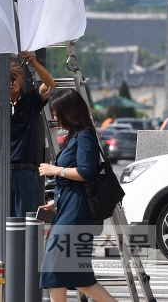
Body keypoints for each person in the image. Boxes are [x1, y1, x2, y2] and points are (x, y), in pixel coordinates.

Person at [38, 89, 118, 302]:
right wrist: (57, 202)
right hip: (68, 207)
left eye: (56, 113)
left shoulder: (85, 136)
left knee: (55, 271)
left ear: (69, 111)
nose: (54, 117)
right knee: (74, 276)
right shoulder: (75, 135)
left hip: (76, 213)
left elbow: (86, 172)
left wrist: (55, 171)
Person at [10, 51, 56, 217]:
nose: (12, 78)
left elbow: (50, 84)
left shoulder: (30, 101)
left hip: (25, 171)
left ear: (22, 78)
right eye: (8, 74)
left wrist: (33, 63)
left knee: (24, 224)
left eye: (16, 73)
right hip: (1, 171)